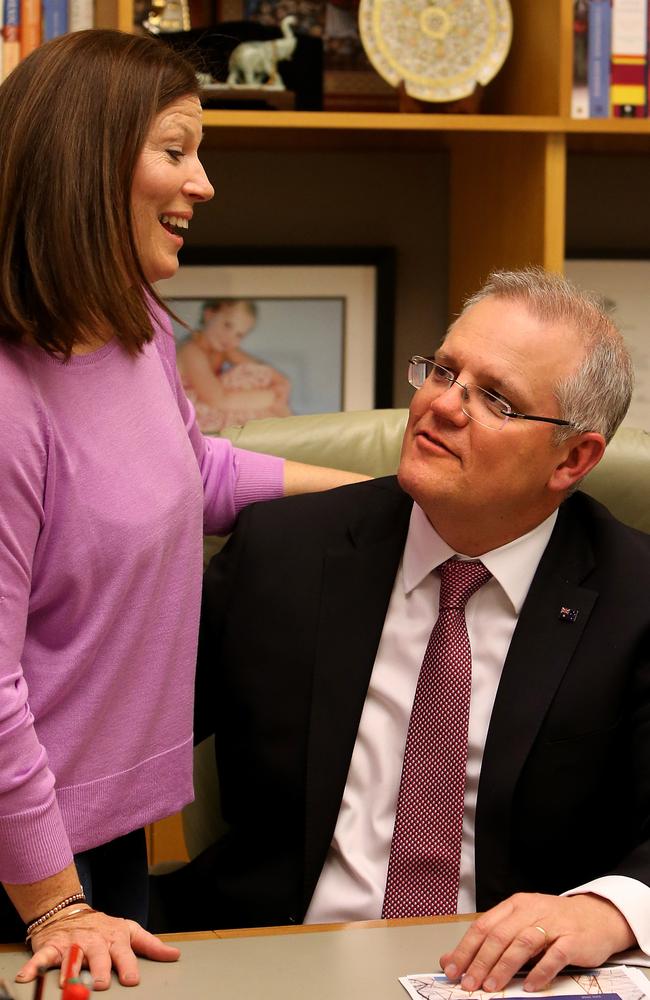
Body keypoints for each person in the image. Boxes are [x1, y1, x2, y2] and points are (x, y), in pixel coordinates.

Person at [151, 268, 650, 989]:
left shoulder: (634, 598)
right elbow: (116, 739)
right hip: (276, 961)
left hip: (510, 980)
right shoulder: (284, 555)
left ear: (573, 459)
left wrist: (607, 908)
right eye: (444, 371)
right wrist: (65, 903)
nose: (444, 405)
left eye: (496, 399)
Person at [0, 28, 367, 989]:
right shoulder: (6, 401)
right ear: (86, 165)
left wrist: (389, 497)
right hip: (24, 869)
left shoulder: (135, 328)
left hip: (104, 841)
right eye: (176, 150)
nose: (202, 184)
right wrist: (55, 902)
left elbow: (189, 474)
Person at [175, 298, 292, 431]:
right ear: (209, 315)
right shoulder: (191, 351)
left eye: (239, 335)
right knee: (245, 381)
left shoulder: (223, 347)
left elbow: (264, 370)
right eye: (227, 325)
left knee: (254, 373)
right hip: (193, 414)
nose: (229, 337)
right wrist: (270, 397)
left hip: (215, 405)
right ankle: (284, 425)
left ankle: (283, 426)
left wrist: (282, 384)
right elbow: (217, 399)